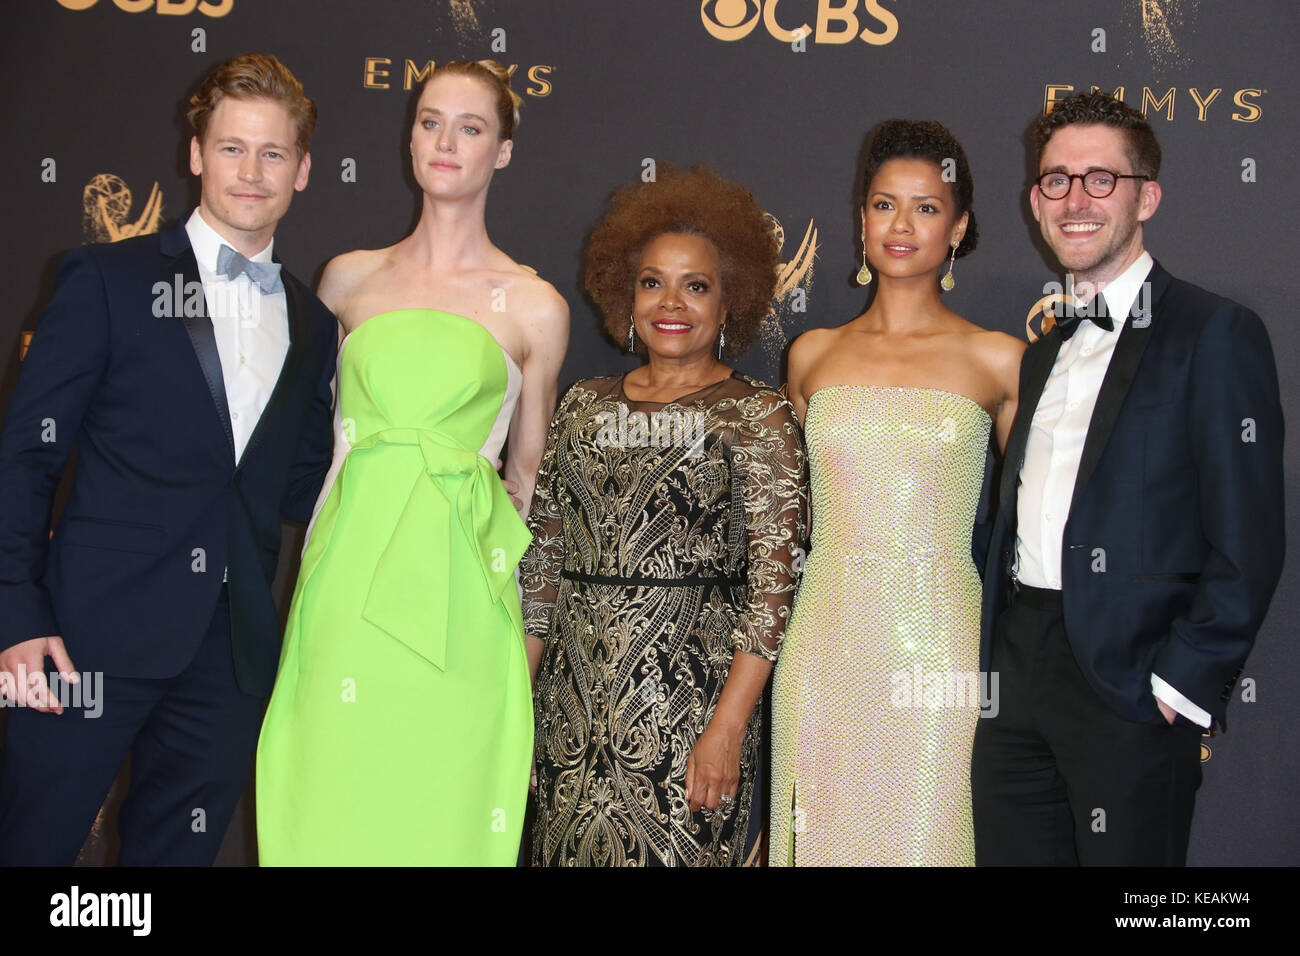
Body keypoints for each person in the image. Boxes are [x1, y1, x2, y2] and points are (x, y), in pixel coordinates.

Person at [0, 53, 336, 865]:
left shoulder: (313, 319)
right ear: (195, 155)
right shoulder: (108, 279)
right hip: (82, 641)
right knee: (33, 847)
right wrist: (15, 618)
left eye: (272, 153)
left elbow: (299, 485)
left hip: (229, 655)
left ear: (304, 169)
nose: (251, 172)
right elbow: (24, 459)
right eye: (231, 148)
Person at [255, 60, 568, 865]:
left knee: (442, 803)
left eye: (471, 127)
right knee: (330, 788)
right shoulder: (348, 280)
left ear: (502, 150)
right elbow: (304, 444)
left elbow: (530, 481)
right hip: (343, 577)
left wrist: (518, 628)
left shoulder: (534, 304)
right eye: (430, 121)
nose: (446, 142)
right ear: (409, 135)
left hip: (461, 592)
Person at [972, 90, 1285, 866]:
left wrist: (1179, 685)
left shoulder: (1215, 332)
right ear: (1034, 201)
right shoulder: (1044, 350)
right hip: (1017, 672)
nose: (1074, 199)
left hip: (1131, 682)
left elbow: (1249, 535)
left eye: (1100, 179)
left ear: (1147, 195)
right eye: (1055, 180)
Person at [522, 165, 808, 866]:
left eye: (696, 285)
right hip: (569, 706)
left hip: (690, 709)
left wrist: (730, 726)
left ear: (728, 300)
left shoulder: (755, 415)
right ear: (626, 292)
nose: (670, 302)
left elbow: (775, 591)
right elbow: (541, 570)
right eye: (652, 281)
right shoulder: (582, 405)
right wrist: (519, 704)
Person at [770, 120, 1024, 866]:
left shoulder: (1000, 360)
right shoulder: (811, 355)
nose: (902, 225)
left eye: (926, 206)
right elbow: (795, 520)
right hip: (822, 642)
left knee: (925, 839)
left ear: (959, 227)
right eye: (884, 205)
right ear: (862, 219)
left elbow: (1035, 525)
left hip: (937, 643)